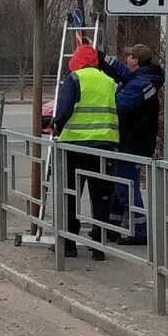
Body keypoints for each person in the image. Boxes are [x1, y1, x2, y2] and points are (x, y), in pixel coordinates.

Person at [51, 43, 119, 261]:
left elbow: (63, 111)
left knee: (70, 194)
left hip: (75, 147)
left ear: (76, 61)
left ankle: (69, 243)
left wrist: (56, 126)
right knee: (101, 197)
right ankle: (99, 245)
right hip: (104, 147)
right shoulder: (109, 81)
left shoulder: (74, 79)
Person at [98, 42, 165, 246]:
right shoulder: (142, 78)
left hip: (134, 143)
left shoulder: (140, 85)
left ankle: (140, 232)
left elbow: (118, 106)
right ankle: (114, 227)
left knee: (125, 187)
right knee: (120, 186)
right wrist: (100, 56)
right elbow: (120, 70)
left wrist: (105, 95)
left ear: (135, 60)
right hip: (132, 141)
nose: (126, 59)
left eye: (129, 56)